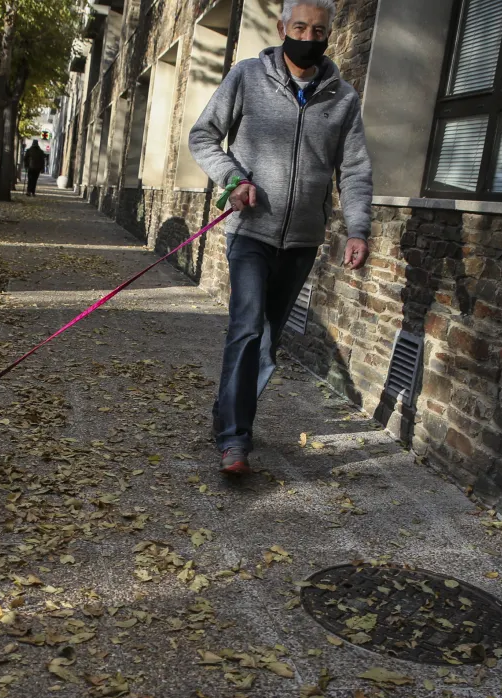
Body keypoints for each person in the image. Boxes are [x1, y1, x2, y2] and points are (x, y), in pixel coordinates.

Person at [188, 0, 372, 476]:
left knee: (268, 344)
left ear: (328, 34)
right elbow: (204, 136)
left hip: (302, 240)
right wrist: (233, 179)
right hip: (251, 229)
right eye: (299, 27)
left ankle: (227, 415)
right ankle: (235, 439)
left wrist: (358, 228)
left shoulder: (343, 99)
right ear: (281, 27)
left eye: (318, 30)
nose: (308, 37)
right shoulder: (248, 76)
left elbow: (352, 170)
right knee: (246, 328)